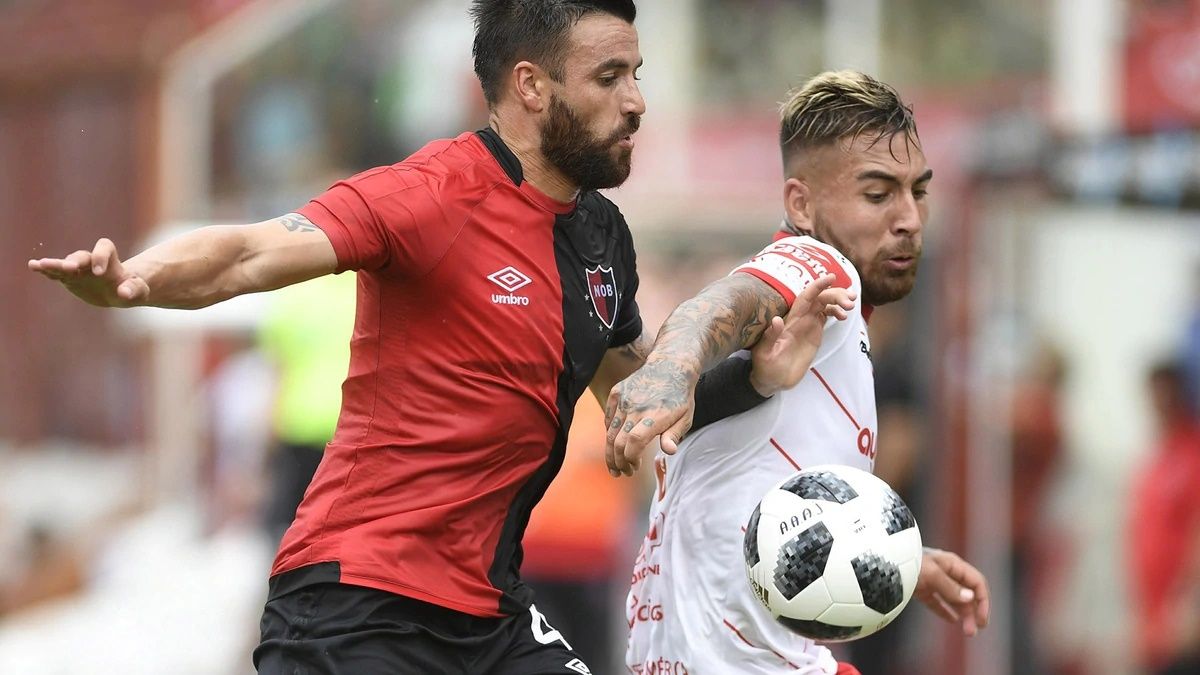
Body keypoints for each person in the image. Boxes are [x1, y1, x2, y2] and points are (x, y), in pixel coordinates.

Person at [27, 2, 819, 672]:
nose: (638, 101)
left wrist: (750, 378)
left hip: (489, 615)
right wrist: (135, 278)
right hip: (357, 608)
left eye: (636, 74)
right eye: (610, 78)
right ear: (531, 87)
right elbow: (251, 251)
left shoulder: (603, 236)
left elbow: (633, 400)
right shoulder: (430, 195)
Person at [615, 71, 991, 674]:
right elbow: (724, 303)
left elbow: (757, 479)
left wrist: (891, 557)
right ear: (801, 204)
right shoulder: (821, 269)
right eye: (878, 194)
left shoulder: (819, 340)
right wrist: (673, 365)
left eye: (917, 191)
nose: (910, 219)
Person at [1129, 360, 1200, 675]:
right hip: (1154, 619)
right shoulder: (1157, 457)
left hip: (1184, 622)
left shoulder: (1193, 452)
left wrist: (1190, 605)